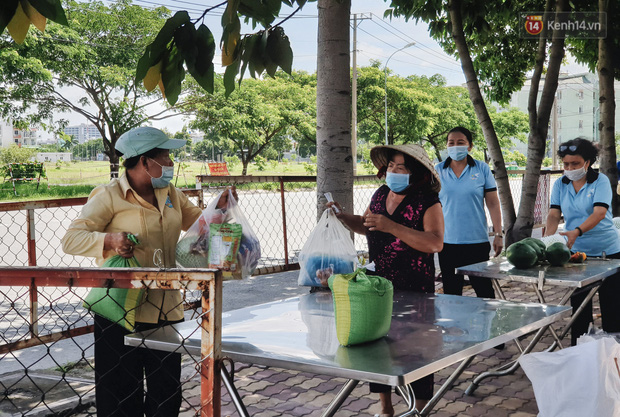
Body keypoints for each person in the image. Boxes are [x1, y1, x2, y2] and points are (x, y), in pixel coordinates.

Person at [61, 126, 236, 417]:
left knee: (166, 393)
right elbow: (71, 240)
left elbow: (199, 224)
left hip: (166, 308)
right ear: (144, 161)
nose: (170, 163)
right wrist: (109, 240)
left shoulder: (170, 193)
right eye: (165, 156)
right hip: (120, 309)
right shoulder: (109, 196)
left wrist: (221, 209)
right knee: (119, 397)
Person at [327, 144, 443, 416]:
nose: (394, 171)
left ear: (415, 174)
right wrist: (344, 218)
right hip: (377, 287)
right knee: (377, 347)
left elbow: (435, 242)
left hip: (415, 288)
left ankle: (420, 408)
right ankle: (385, 408)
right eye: (391, 166)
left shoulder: (427, 201)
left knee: (416, 349)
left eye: (401, 167)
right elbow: (368, 225)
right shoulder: (380, 195)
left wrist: (393, 227)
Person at [544, 137, 620, 346]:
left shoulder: (600, 181)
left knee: (612, 307)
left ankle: (614, 358)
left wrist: (577, 231)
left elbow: (599, 212)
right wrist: (547, 242)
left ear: (588, 162)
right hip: (577, 256)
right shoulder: (561, 183)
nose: (569, 168)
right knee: (579, 307)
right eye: (566, 164)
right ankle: (579, 352)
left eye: (575, 164)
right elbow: (553, 214)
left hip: (608, 253)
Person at [435, 126, 503, 298]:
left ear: (470, 146)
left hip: (476, 242)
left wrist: (498, 233)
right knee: (451, 295)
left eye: (461, 142)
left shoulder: (481, 169)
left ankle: (487, 325)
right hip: (447, 243)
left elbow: (493, 203)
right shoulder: (437, 171)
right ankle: (453, 326)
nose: (455, 146)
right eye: (451, 143)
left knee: (484, 292)